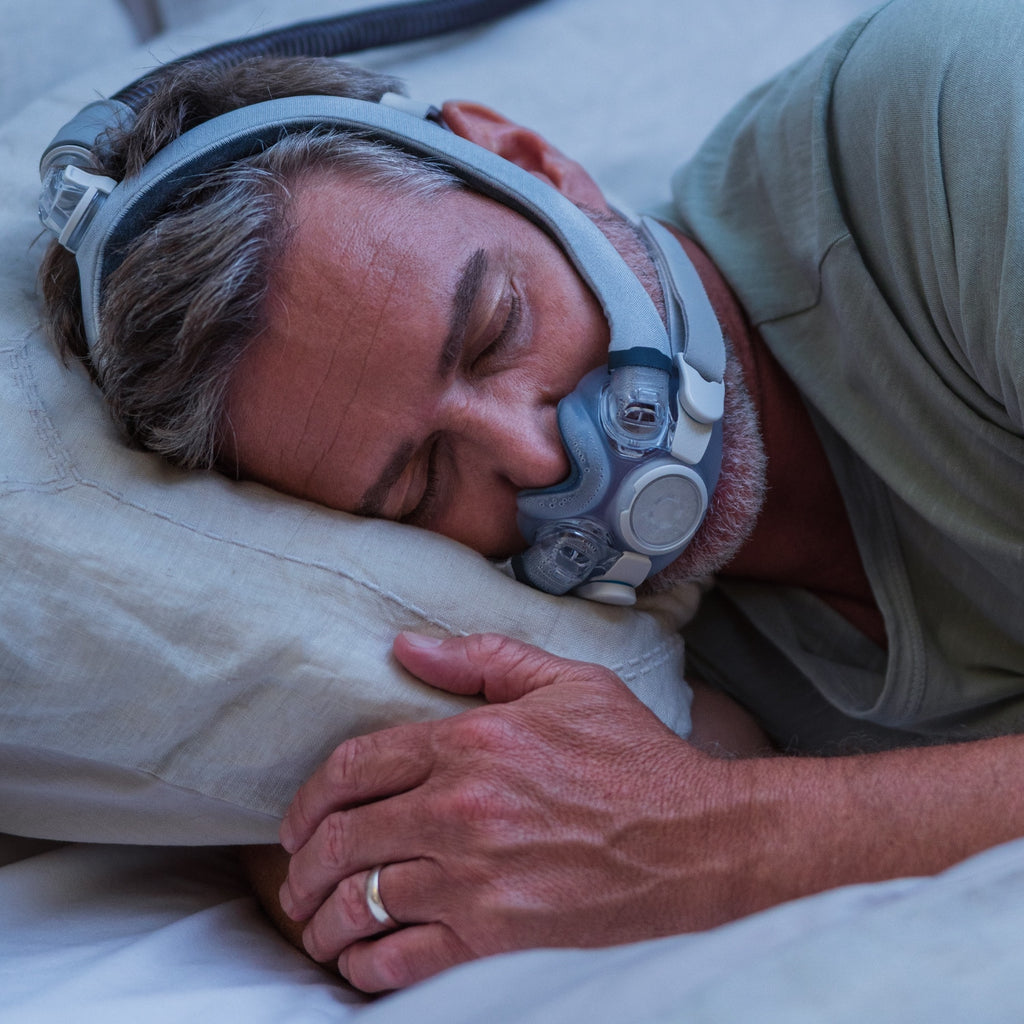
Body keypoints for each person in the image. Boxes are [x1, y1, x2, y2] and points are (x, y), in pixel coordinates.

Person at [38, 0, 1024, 995]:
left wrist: (723, 839)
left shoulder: (952, 129)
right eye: (422, 481)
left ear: (531, 163)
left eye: (498, 327)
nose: (536, 450)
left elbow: (701, 837)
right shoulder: (624, 666)